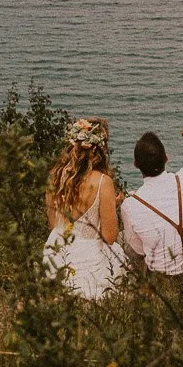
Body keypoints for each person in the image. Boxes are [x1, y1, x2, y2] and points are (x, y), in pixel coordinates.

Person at [42, 117, 126, 300]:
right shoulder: (103, 182)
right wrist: (111, 206)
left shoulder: (54, 178)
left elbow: (53, 224)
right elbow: (109, 237)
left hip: (56, 254)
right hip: (89, 261)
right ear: (100, 150)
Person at [120, 119, 183, 278]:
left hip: (163, 278)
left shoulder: (130, 205)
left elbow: (139, 249)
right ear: (166, 158)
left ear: (136, 164)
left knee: (124, 241)